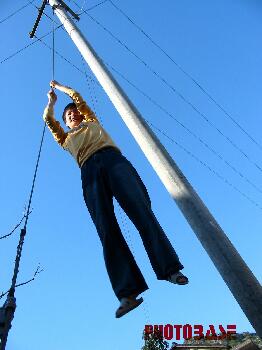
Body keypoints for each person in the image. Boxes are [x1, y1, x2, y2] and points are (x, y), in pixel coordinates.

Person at [43, 80, 188, 318]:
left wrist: (60, 88)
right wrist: (51, 102)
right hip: (89, 172)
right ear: (65, 121)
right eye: (68, 115)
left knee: (141, 211)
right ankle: (127, 293)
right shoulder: (65, 139)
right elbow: (49, 120)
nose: (72, 115)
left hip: (113, 161)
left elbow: (78, 96)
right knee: (106, 229)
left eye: (74, 111)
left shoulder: (91, 121)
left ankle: (170, 269)